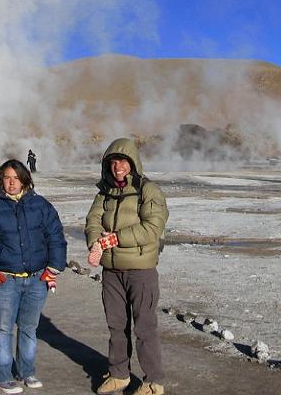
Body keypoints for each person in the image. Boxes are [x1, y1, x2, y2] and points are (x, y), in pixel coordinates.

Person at [0, 160, 66, 394]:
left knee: (29, 328)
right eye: (6, 177)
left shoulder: (40, 205)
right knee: (3, 328)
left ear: (25, 179)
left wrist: (54, 267)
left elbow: (55, 236)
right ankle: (3, 376)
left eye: (15, 177)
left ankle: (26, 371)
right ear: (0, 180)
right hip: (5, 280)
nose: (11, 182)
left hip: (37, 279)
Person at [85, 138, 169, 395]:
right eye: (112, 162)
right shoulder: (105, 193)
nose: (117, 167)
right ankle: (119, 374)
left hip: (140, 271)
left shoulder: (148, 190)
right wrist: (95, 243)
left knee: (144, 327)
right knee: (116, 325)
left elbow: (153, 228)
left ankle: (154, 382)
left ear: (133, 163)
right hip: (111, 272)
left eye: (122, 161)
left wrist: (115, 238)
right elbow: (92, 221)